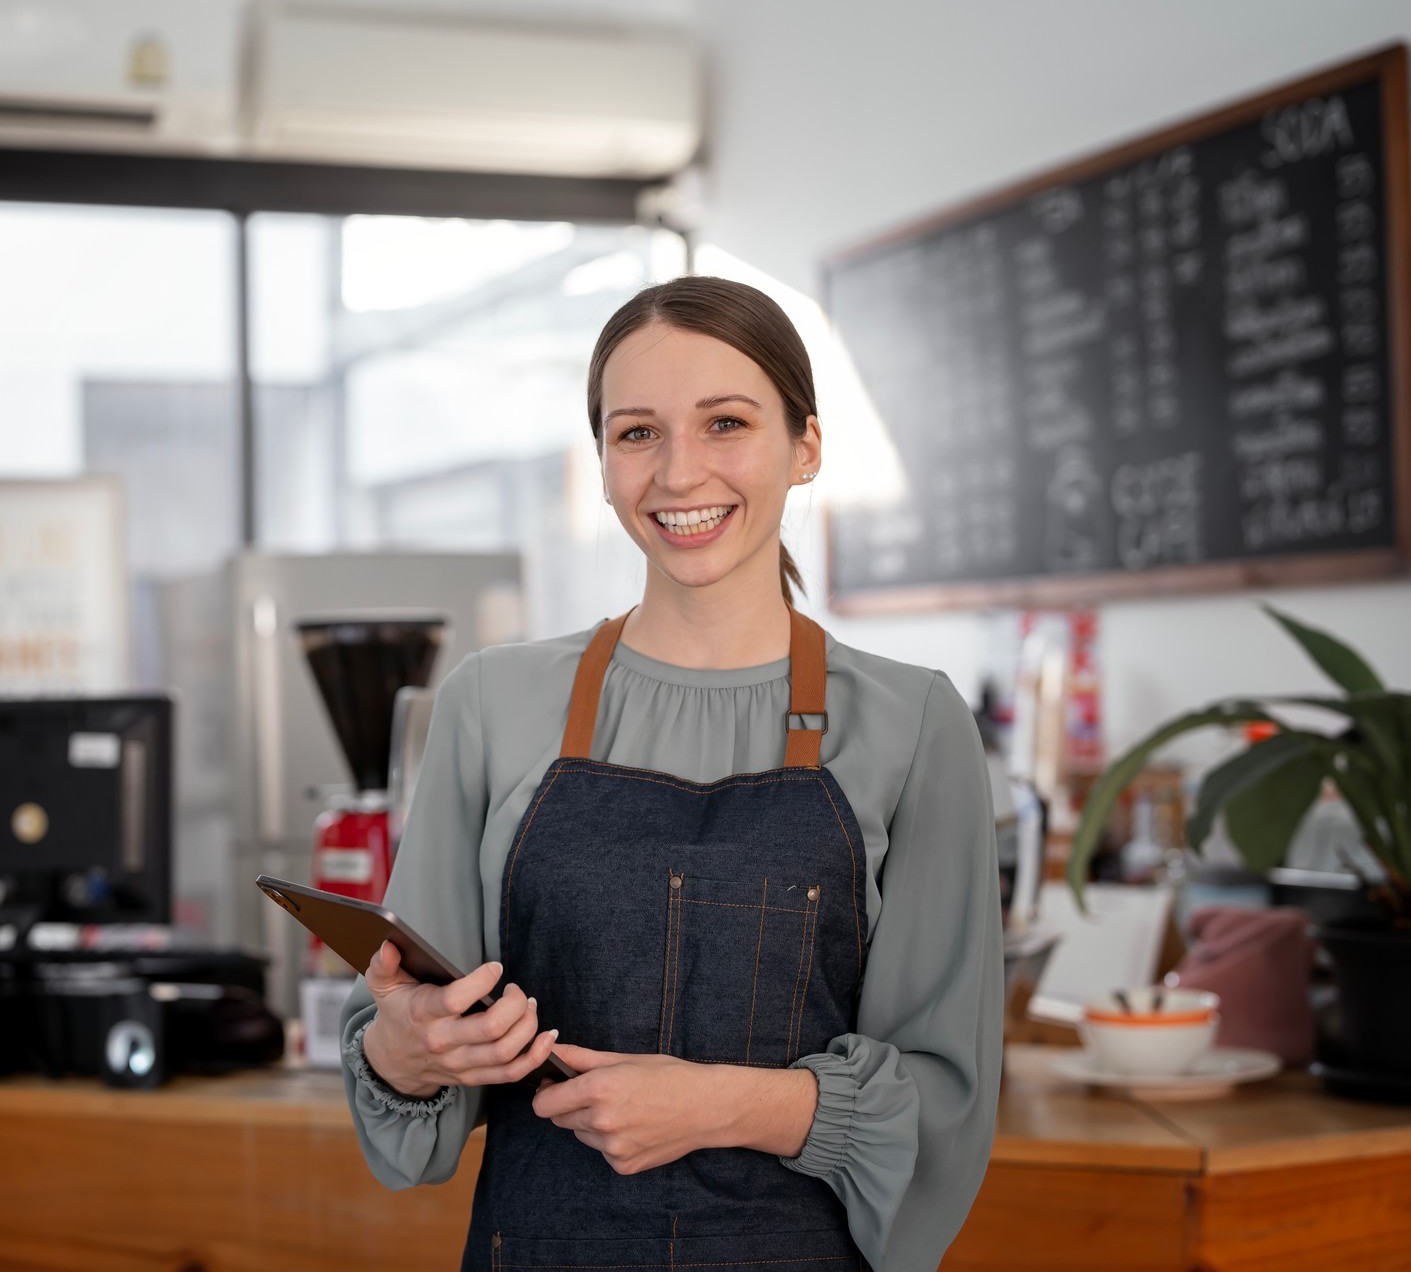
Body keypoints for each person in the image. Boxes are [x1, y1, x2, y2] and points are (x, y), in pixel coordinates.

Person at [338, 275, 1002, 1272]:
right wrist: (409, 1046)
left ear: (806, 445)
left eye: (725, 422)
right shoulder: (490, 703)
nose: (678, 472)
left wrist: (719, 1102)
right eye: (637, 432)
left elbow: (947, 1100)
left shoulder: (914, 723)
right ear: (602, 461)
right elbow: (408, 1087)